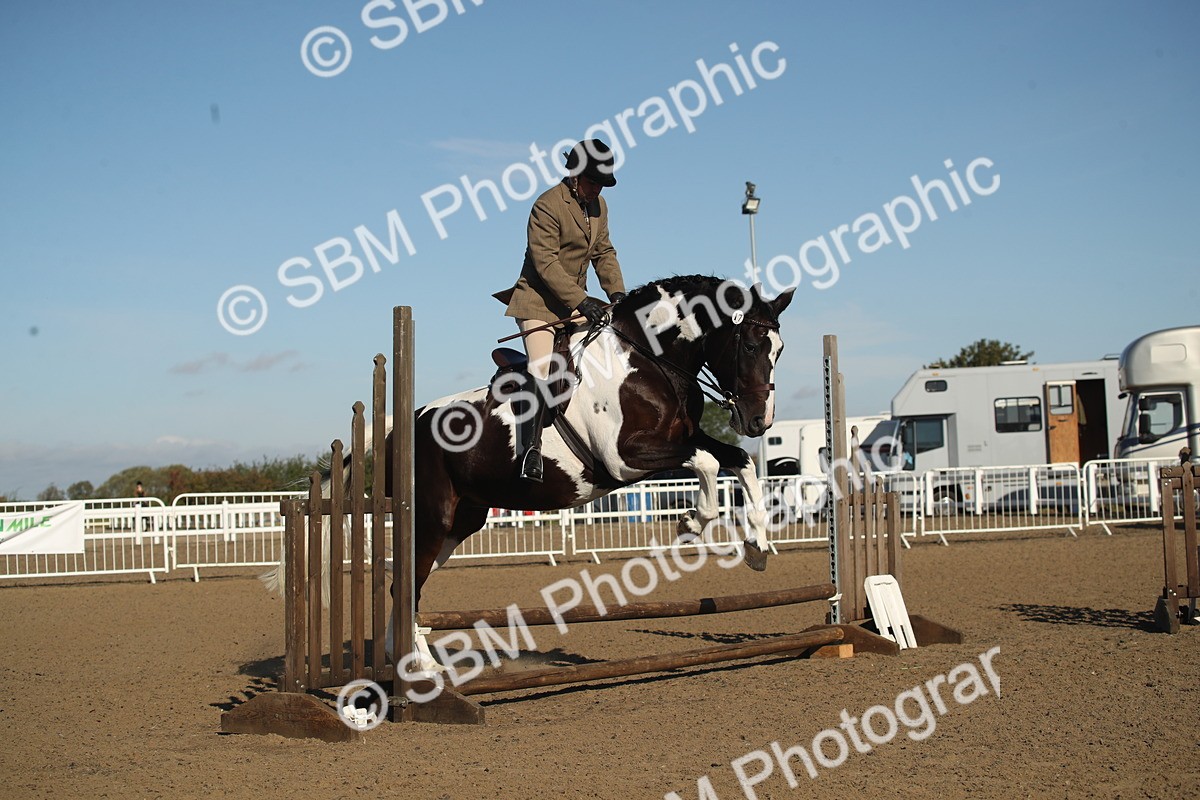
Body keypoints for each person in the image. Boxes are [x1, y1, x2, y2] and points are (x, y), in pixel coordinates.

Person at [493, 139, 627, 482]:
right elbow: (545, 264)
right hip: (539, 303)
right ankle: (530, 453)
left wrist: (618, 296)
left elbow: (604, 253)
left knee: (607, 353)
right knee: (542, 371)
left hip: (574, 303)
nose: (597, 188)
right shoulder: (547, 205)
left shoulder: (600, 206)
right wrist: (582, 300)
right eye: (593, 181)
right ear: (575, 175)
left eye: (601, 183)